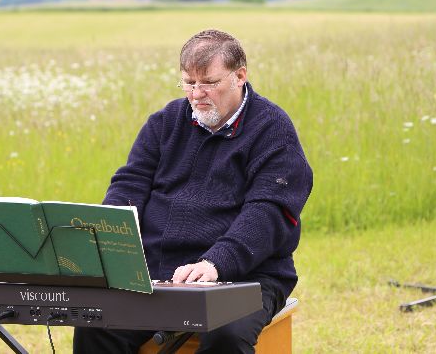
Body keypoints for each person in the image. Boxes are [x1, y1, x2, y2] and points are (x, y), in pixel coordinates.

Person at [73, 29, 313, 353]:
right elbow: (130, 183)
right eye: (189, 82)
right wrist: (111, 236)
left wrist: (216, 264)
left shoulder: (272, 130)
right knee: (95, 326)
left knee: (226, 336)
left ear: (240, 76)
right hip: (156, 274)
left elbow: (268, 212)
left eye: (209, 83)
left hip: (248, 276)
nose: (197, 93)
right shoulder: (165, 122)